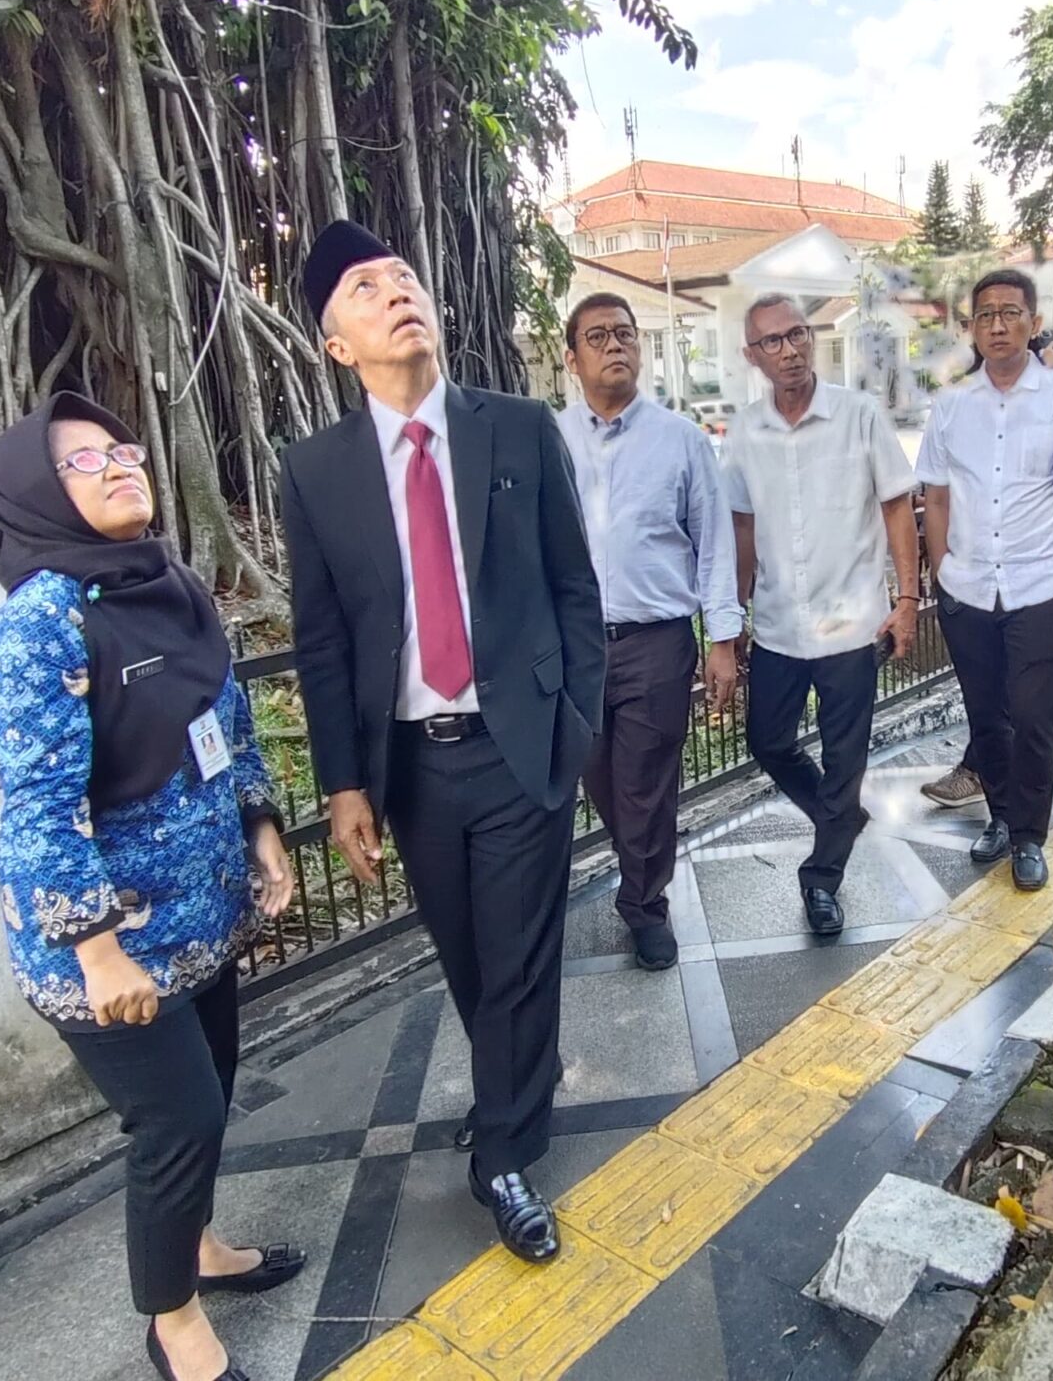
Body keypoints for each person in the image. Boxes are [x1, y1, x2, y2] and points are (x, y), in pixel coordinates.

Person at [278, 221, 603, 1263]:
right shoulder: (314, 473)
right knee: (468, 956)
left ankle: (503, 1152)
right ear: (338, 344)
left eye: (404, 277)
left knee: (515, 959)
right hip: (412, 766)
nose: (396, 293)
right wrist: (342, 787)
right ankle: (519, 1079)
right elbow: (322, 641)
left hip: (519, 745)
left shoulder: (515, 427)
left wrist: (576, 722)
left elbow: (572, 586)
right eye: (366, 291)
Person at [0, 393, 302, 1381]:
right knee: (177, 1120)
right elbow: (39, 812)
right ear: (35, 494)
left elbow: (226, 723)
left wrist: (263, 829)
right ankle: (173, 1323)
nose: (118, 466)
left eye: (123, 449)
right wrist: (99, 947)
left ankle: (197, 1247)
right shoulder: (39, 625)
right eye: (83, 461)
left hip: (203, 918)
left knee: (216, 1090)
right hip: (112, 950)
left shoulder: (171, 583)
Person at [555, 292, 742, 970]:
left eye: (625, 335)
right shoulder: (551, 441)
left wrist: (723, 640)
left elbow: (714, 544)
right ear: (572, 357)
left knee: (645, 783)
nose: (615, 346)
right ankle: (639, 867)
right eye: (598, 336)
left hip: (657, 642)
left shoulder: (682, 440)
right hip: (573, 649)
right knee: (599, 779)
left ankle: (645, 904)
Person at [725, 294, 921, 934]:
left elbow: (897, 509)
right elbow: (743, 526)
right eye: (773, 342)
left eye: (798, 335)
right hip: (780, 624)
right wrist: (733, 617)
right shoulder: (745, 432)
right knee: (767, 740)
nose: (791, 350)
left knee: (846, 761)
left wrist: (907, 601)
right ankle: (839, 815)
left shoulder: (859, 415)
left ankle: (823, 878)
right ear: (752, 356)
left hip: (850, 622)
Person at [918, 280, 1053, 890]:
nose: (997, 325)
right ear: (971, 329)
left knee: (1033, 715)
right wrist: (942, 570)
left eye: (1009, 314)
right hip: (968, 587)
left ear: (1034, 321)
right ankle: (1000, 816)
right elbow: (937, 495)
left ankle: (1029, 836)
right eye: (985, 316)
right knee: (986, 715)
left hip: (1041, 583)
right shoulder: (951, 406)